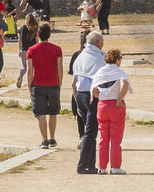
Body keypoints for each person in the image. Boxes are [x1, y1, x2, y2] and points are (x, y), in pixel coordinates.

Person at [22, 23, 65, 149]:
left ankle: (44, 140)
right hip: (53, 83)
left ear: (37, 35)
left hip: (38, 84)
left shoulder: (31, 50)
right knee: (53, 112)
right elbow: (60, 68)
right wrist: (60, 82)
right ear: (49, 35)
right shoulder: (57, 49)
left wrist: (29, 84)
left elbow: (30, 70)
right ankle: (52, 138)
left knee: (40, 113)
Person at [91, 47, 131, 174]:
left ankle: (102, 167)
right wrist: (119, 100)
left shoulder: (100, 72)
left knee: (103, 138)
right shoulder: (120, 73)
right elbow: (124, 85)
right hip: (115, 106)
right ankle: (115, 167)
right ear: (117, 60)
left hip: (102, 106)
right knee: (115, 138)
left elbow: (95, 92)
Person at [71, 31, 105, 175]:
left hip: (80, 95)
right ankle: (83, 165)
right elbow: (100, 82)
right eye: (102, 41)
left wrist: (77, 102)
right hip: (92, 97)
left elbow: (74, 83)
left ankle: (90, 165)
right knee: (90, 133)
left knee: (90, 132)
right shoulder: (100, 58)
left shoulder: (80, 56)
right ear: (98, 43)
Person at [14, 13, 40, 88]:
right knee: (34, 66)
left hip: (24, 49)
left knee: (24, 66)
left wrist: (19, 49)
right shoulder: (35, 28)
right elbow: (37, 40)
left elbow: (19, 39)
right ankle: (33, 81)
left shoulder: (22, 28)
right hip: (33, 50)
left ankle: (20, 76)